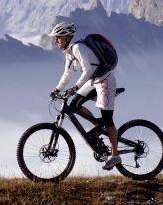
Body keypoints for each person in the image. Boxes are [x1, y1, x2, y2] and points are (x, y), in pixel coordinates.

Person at [48, 22, 121, 170]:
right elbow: (68, 73)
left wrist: (75, 87)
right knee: (74, 105)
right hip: (93, 81)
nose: (56, 41)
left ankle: (115, 156)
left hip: (105, 80)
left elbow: (87, 70)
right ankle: (98, 126)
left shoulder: (78, 48)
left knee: (108, 119)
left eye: (58, 38)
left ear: (67, 37)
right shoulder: (69, 52)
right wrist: (57, 89)